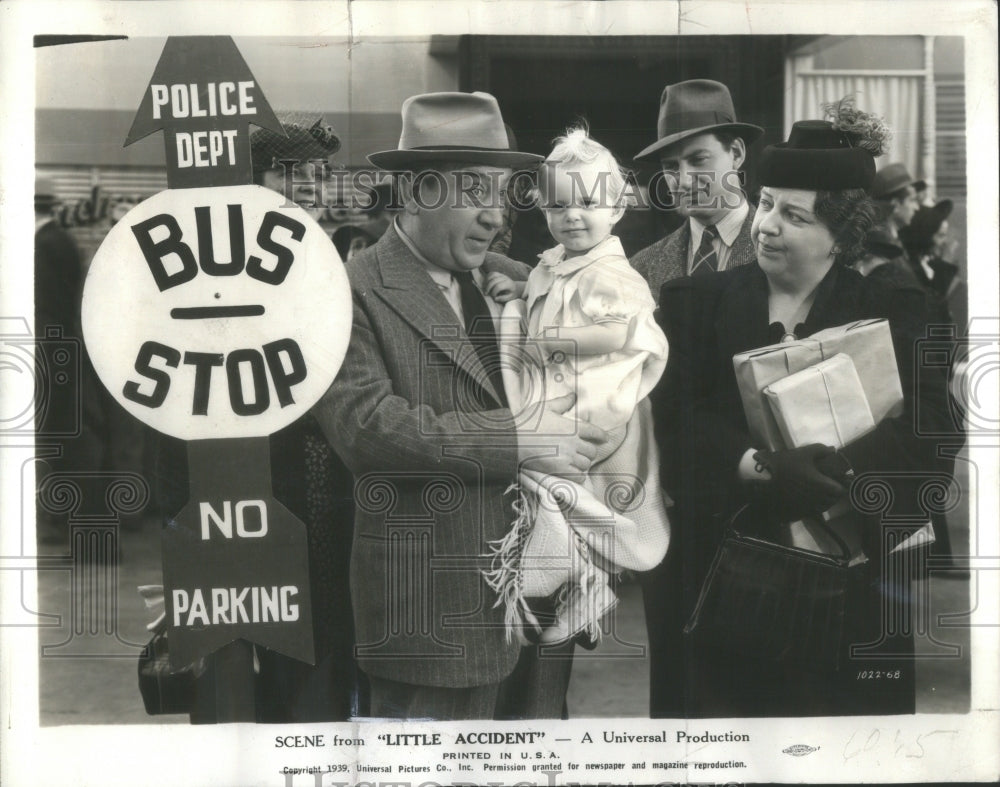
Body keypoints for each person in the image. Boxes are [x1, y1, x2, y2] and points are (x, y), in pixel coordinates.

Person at [652, 99, 953, 717]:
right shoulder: (692, 303)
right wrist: (759, 467)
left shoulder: (901, 313)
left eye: (794, 215)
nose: (766, 225)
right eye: (765, 203)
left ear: (840, 238)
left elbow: (932, 443)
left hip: (848, 596)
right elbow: (670, 422)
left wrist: (836, 472)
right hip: (720, 593)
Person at [313, 92, 608, 720]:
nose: (494, 216)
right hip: (430, 621)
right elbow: (366, 428)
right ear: (416, 192)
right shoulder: (348, 290)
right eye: (474, 190)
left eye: (501, 194)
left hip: (539, 612)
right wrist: (518, 438)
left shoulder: (523, 280)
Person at [482, 128, 670, 646]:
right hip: (566, 395)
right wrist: (521, 290)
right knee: (555, 488)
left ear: (617, 210)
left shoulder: (611, 272)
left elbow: (616, 331)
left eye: (588, 202)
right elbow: (550, 292)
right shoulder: (556, 264)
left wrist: (551, 342)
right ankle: (582, 582)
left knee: (546, 477)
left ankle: (576, 578)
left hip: (599, 401)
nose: (572, 216)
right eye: (557, 205)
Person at [630, 79, 763, 301]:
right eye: (671, 166)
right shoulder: (641, 267)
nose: (683, 181)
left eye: (698, 159)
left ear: (737, 153)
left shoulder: (779, 248)